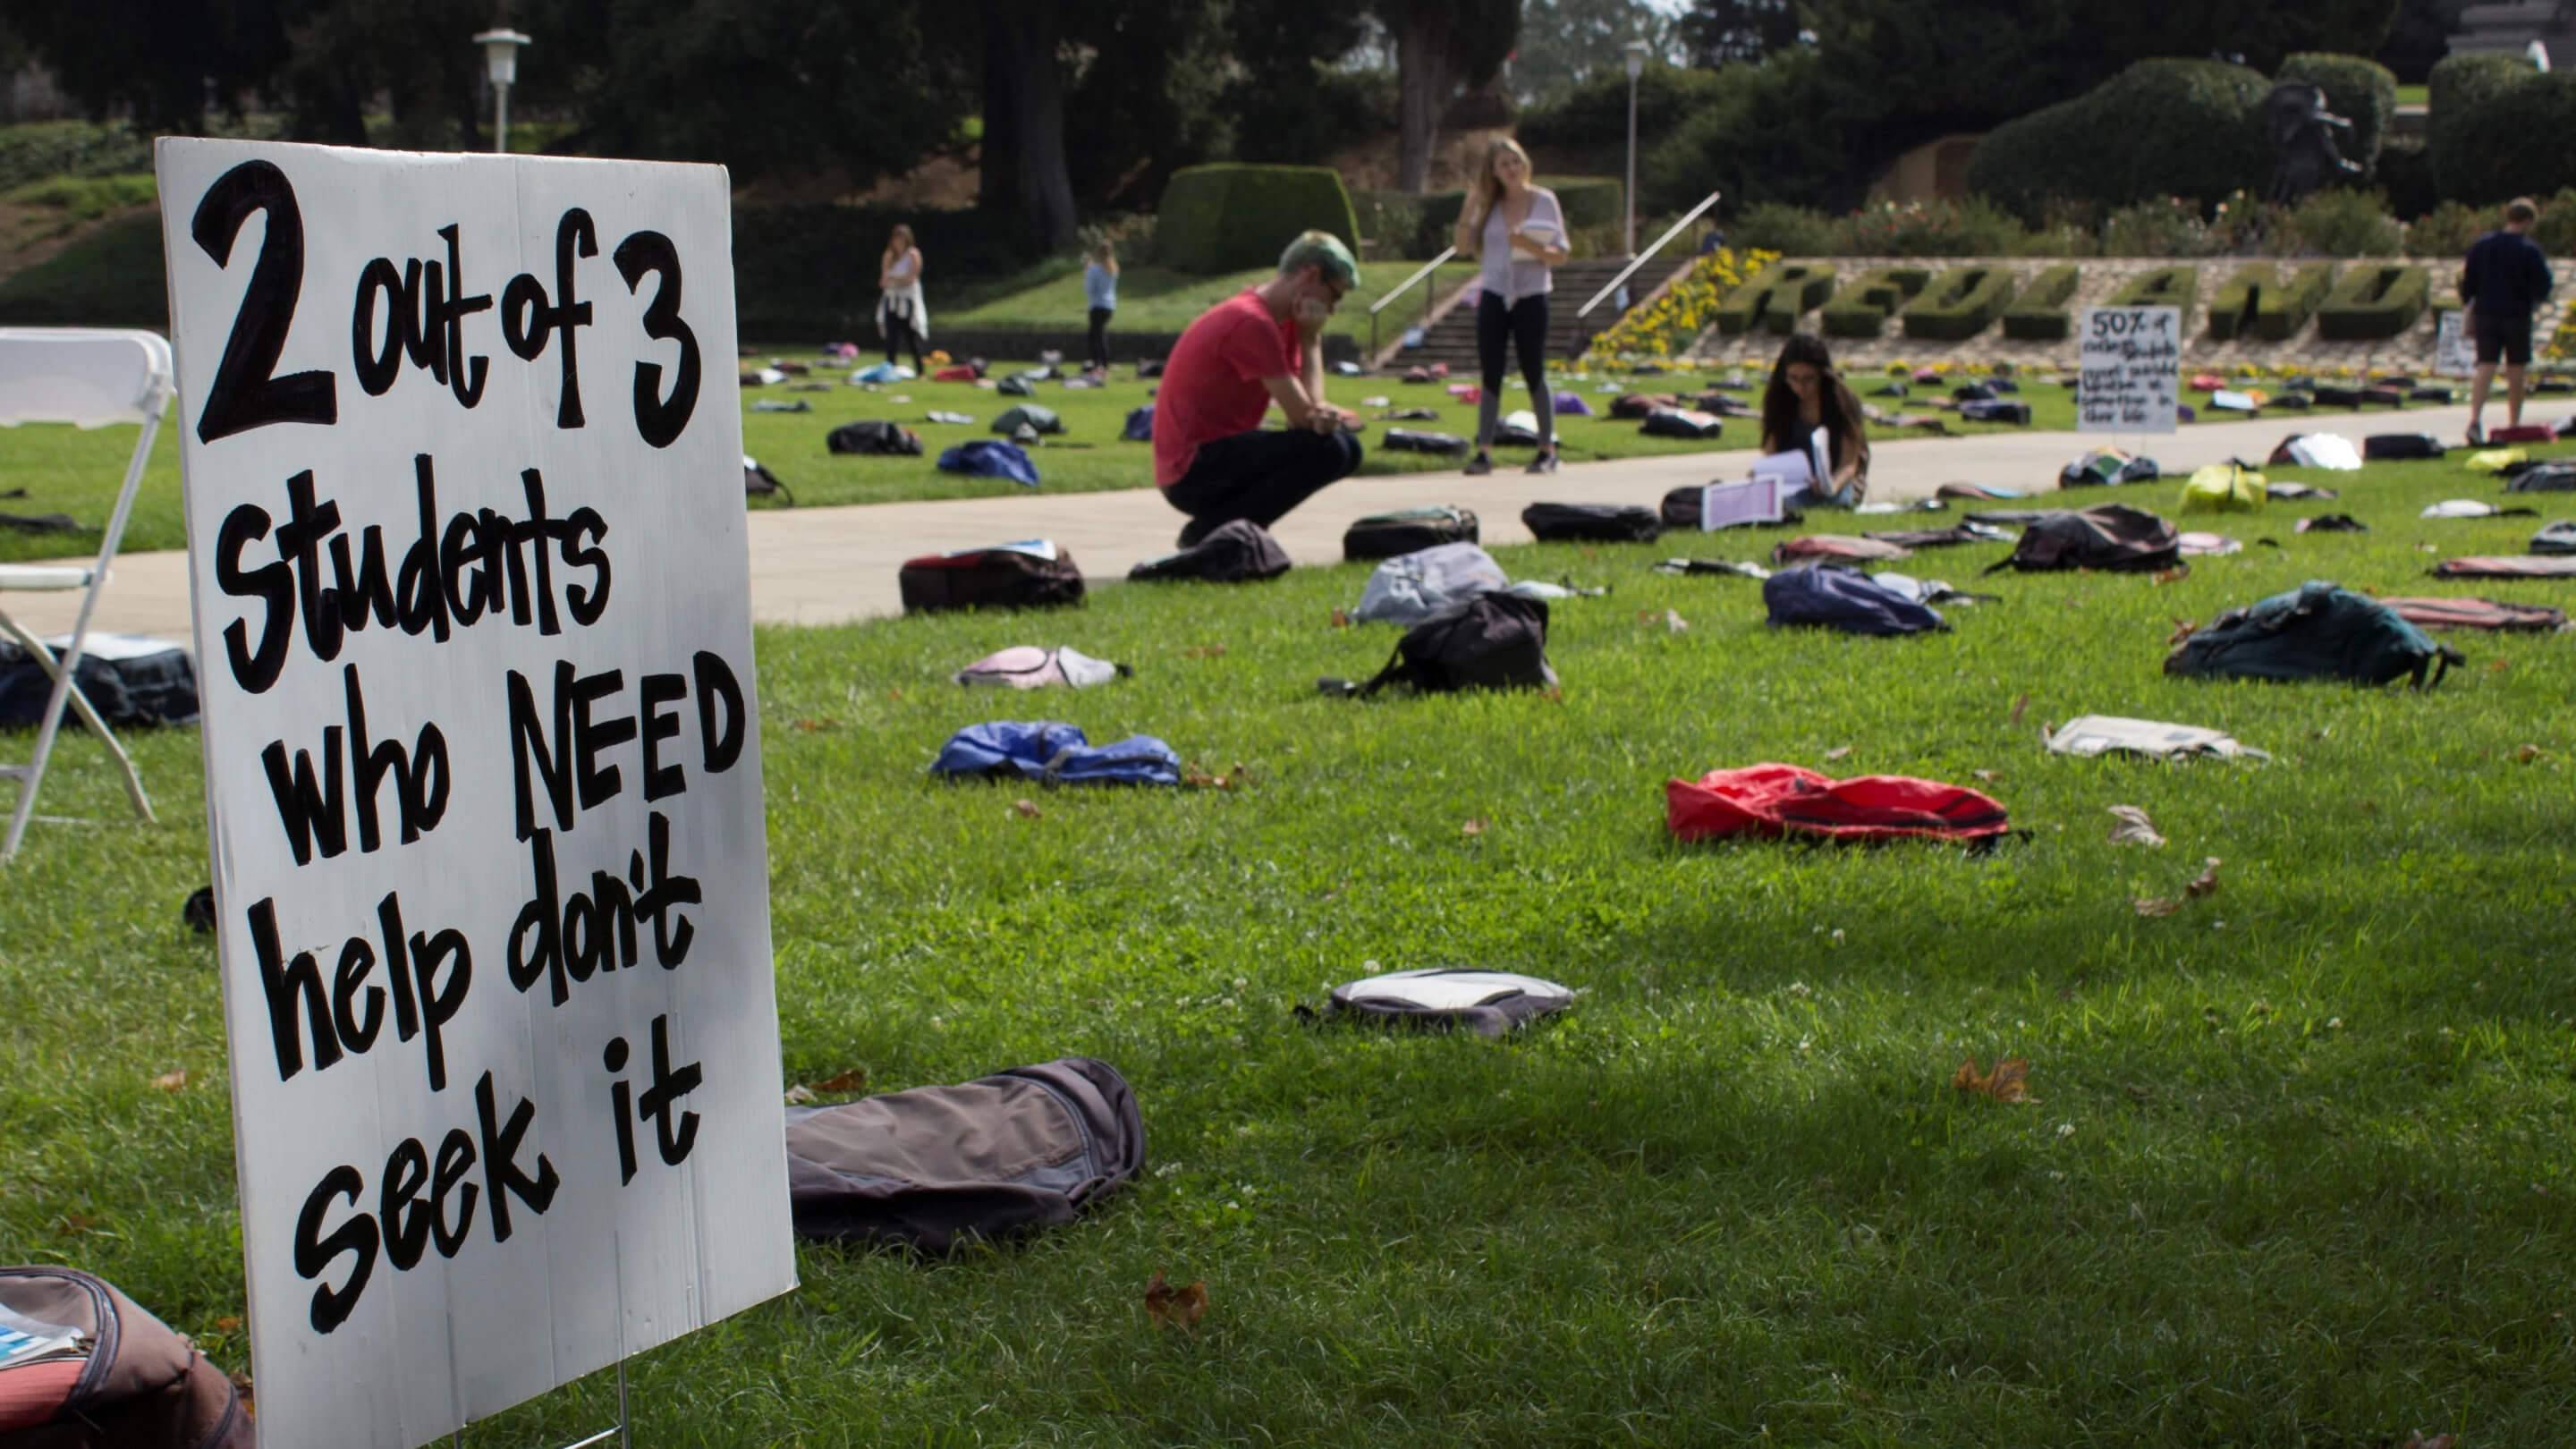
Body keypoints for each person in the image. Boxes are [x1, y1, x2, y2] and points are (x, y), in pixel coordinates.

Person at [1155, 231, 1366, 547]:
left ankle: (1229, 529)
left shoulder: (1283, 322)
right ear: (1310, 275)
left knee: (1344, 448)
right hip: (1190, 470)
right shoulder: (1252, 321)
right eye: (1333, 296)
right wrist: (1310, 340)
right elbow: (1304, 419)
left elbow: (1311, 410)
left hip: (1211, 458)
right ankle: (1212, 532)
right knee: (1333, 450)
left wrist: (1309, 339)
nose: (1332, 309)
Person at [1452, 138, 1569, 476]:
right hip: (1494, 293)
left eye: (1515, 161)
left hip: (1531, 295)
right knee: (1491, 370)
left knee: (1533, 368)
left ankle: (1547, 449)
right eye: (1503, 164)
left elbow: (1560, 254)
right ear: (1494, 172)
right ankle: (1484, 450)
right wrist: (1469, 207)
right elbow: (1462, 248)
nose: (1512, 169)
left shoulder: (1544, 201)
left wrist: (1528, 244)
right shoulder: (1490, 205)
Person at [2461, 197, 2555, 445]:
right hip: (2516, 314)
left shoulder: (2482, 246)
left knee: (2486, 366)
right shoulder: (2529, 249)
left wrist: (2469, 306)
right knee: (2516, 370)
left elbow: (2468, 282)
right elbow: (2543, 285)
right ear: (2528, 221)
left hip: (2486, 313)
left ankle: (2475, 419)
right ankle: (2513, 423)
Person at [1759, 334, 1868, 508]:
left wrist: (1831, 486)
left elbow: (1849, 464)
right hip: (1793, 484)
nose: (1800, 387)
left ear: (1823, 375)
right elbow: (1771, 454)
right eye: (1793, 378)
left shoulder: (1842, 401)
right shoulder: (1779, 400)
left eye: (1809, 379)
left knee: (1834, 501)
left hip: (1838, 482)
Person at [877, 224, 928, 374]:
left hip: (907, 300)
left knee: (911, 336)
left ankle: (920, 371)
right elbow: (884, 280)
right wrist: (894, 280)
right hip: (891, 299)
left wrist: (894, 279)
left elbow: (911, 278)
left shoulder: (913, 255)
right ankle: (889, 369)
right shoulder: (889, 255)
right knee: (891, 337)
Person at [1082, 239, 1119, 377]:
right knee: (1101, 335)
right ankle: (1104, 363)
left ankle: (1097, 365)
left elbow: (1089, 289)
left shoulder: (1094, 270)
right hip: (1110, 306)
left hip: (1097, 305)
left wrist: (1087, 271)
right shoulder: (1113, 268)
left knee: (1094, 336)